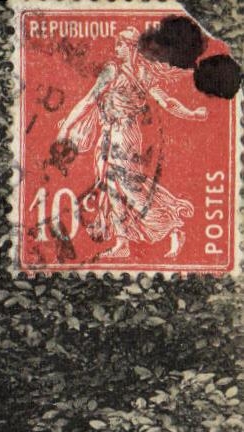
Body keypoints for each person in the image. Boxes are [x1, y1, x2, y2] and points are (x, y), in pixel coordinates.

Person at [56, 26, 208, 261]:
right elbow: (90, 100)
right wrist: (66, 126)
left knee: (128, 186)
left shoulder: (136, 73)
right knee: (111, 186)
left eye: (120, 45)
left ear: (131, 48)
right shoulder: (114, 71)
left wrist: (192, 114)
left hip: (125, 133)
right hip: (108, 133)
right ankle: (122, 242)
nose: (116, 49)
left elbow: (166, 101)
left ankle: (171, 225)